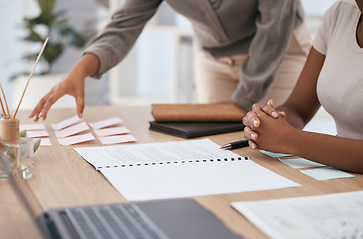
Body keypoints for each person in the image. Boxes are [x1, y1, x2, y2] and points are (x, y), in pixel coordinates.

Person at [29, 0, 311, 121]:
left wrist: (243, 100)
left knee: (271, 148)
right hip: (215, 56)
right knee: (221, 147)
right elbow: (124, 23)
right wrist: (81, 68)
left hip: (280, 51)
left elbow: (274, 26)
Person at [243, 0, 363, 173]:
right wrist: (266, 123)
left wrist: (289, 139)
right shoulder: (340, 12)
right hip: (340, 177)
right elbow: (297, 108)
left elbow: (290, 137)